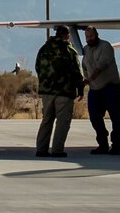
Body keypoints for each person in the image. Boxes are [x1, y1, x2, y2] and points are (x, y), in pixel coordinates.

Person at [34, 26, 83, 158]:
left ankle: (41, 149)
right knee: (62, 122)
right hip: (64, 92)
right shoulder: (69, 50)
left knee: (47, 120)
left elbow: (37, 67)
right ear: (67, 35)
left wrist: (45, 83)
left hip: (47, 92)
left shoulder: (44, 49)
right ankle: (57, 150)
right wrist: (80, 88)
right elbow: (77, 72)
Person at [81, 27, 120, 155]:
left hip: (110, 86)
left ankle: (116, 144)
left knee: (115, 117)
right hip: (95, 88)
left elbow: (101, 66)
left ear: (97, 35)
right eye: (87, 37)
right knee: (94, 116)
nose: (89, 39)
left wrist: (89, 79)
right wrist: (85, 81)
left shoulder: (106, 47)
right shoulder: (86, 50)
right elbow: (84, 66)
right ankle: (102, 143)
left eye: (91, 36)